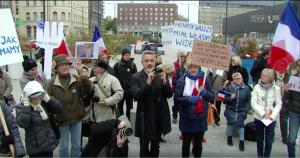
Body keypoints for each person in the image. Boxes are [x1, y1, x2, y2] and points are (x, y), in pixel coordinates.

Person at [46, 55, 94, 157]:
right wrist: (53, 115)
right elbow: (47, 102)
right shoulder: (50, 83)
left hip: (77, 118)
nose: (65, 67)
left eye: (66, 65)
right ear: (57, 68)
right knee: (63, 146)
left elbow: (87, 92)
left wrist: (84, 78)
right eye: (61, 65)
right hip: (61, 119)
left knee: (76, 145)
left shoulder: (77, 79)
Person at [131, 51, 173, 157]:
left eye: (152, 60)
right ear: (142, 62)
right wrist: (148, 82)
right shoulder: (136, 77)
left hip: (158, 118)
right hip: (145, 118)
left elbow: (169, 94)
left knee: (155, 148)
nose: (149, 63)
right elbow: (137, 96)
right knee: (144, 149)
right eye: (146, 61)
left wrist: (164, 81)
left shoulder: (161, 75)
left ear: (155, 61)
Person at [174, 60, 214, 157]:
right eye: (190, 67)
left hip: (200, 118)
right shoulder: (182, 80)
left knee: (198, 145)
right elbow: (177, 98)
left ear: (198, 68)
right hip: (186, 118)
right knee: (186, 144)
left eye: (195, 67)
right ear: (187, 68)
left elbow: (212, 97)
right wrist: (189, 99)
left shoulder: (205, 80)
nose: (193, 69)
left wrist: (205, 93)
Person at [15, 81, 63, 157]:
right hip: (35, 147)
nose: (38, 100)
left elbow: (59, 109)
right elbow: (23, 124)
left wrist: (48, 99)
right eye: (35, 98)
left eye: (40, 97)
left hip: (48, 144)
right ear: (28, 97)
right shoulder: (21, 107)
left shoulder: (43, 102)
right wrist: (26, 106)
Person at [251, 68, 282, 157]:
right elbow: (253, 103)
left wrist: (272, 115)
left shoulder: (276, 89)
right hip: (259, 117)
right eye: (261, 74)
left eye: (264, 75)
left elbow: (279, 104)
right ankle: (260, 155)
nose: (261, 76)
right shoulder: (256, 87)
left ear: (269, 77)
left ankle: (267, 155)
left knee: (269, 140)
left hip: (271, 118)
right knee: (259, 138)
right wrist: (263, 113)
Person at [223, 72, 251, 151]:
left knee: (241, 125)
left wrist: (245, 111)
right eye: (236, 79)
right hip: (231, 109)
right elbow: (224, 101)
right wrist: (230, 98)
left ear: (242, 79)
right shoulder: (229, 88)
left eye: (240, 78)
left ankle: (241, 142)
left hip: (241, 110)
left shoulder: (246, 88)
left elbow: (249, 101)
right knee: (230, 123)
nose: (238, 80)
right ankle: (229, 138)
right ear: (233, 80)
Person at [113, 48, 137, 120]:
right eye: (126, 55)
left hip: (130, 91)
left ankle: (129, 122)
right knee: (119, 107)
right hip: (120, 91)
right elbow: (114, 78)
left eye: (129, 55)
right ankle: (121, 122)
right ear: (123, 55)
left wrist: (133, 89)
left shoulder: (133, 65)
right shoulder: (117, 65)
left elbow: (136, 78)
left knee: (129, 108)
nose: (128, 57)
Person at [286, 59, 300, 157]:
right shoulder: (293, 78)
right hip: (295, 111)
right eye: (299, 65)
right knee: (292, 137)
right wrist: (286, 90)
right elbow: (288, 97)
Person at [171, 51, 186, 124]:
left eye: (183, 56)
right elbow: (173, 77)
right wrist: (180, 80)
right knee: (176, 104)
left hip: (185, 90)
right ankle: (174, 116)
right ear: (178, 57)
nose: (182, 57)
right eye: (181, 56)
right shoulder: (175, 64)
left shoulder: (187, 65)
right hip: (177, 88)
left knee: (184, 104)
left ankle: (183, 117)